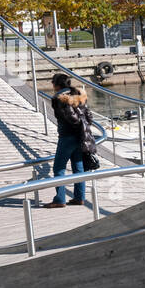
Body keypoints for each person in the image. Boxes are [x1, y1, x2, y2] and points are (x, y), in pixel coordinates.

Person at [45, 72, 93, 207]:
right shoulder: (80, 95)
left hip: (67, 136)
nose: (52, 85)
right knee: (78, 167)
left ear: (57, 85)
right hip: (81, 136)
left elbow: (65, 118)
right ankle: (79, 197)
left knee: (58, 168)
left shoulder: (59, 99)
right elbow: (89, 116)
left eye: (53, 82)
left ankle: (60, 199)